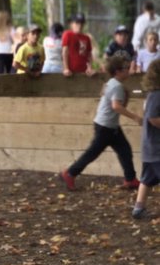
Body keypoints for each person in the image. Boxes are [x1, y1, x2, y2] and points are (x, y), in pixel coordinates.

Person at [59, 53, 141, 190]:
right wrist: (135, 117)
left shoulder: (112, 83)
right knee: (92, 153)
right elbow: (116, 106)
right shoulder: (117, 87)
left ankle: (130, 179)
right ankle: (70, 173)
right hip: (106, 127)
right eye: (126, 68)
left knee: (125, 150)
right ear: (118, 71)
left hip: (109, 126)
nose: (129, 70)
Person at [132, 57, 160, 220]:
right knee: (147, 177)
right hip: (156, 147)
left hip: (150, 147)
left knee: (147, 178)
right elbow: (152, 118)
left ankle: (138, 208)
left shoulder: (153, 94)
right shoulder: (156, 95)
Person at [61, 13, 97, 77]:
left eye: (82, 23)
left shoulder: (87, 38)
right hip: (71, 73)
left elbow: (89, 54)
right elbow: (65, 52)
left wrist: (89, 67)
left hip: (84, 72)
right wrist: (66, 68)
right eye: (77, 23)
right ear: (71, 24)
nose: (80, 25)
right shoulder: (68, 34)